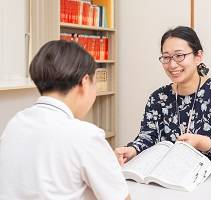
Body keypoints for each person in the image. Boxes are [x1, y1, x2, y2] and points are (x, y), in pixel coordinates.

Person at [0, 40, 130, 200]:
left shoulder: (16, 123)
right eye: (95, 83)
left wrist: (104, 163)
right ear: (84, 82)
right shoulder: (86, 136)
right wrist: (108, 167)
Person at [115, 26, 211, 170]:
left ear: (198, 56)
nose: (172, 64)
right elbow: (148, 137)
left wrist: (202, 142)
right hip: (173, 176)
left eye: (179, 56)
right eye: (166, 57)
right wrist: (133, 150)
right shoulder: (158, 98)